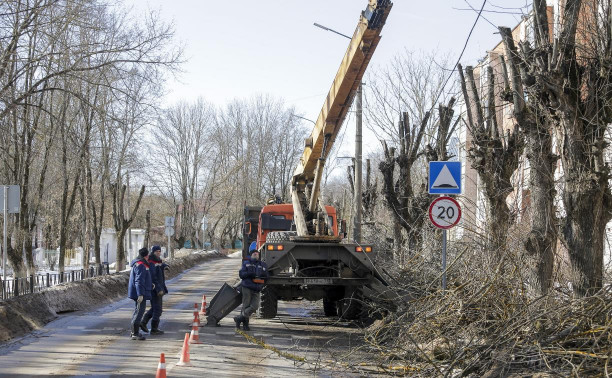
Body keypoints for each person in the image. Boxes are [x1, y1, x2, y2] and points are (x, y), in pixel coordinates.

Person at [234, 246, 268, 331]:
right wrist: (249, 274)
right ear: (251, 255)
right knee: (246, 306)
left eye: (257, 254)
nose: (256, 255)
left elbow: (267, 276)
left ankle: (239, 318)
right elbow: (241, 275)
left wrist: (264, 277)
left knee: (255, 306)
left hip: (257, 288)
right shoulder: (246, 263)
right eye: (254, 254)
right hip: (247, 287)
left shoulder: (262, 265)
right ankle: (245, 325)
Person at [140, 245, 168, 335]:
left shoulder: (157, 260)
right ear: (153, 252)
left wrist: (164, 266)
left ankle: (144, 322)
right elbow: (153, 276)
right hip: (155, 289)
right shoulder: (152, 261)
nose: (158, 253)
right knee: (158, 309)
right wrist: (159, 289)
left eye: (159, 251)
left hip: (158, 287)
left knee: (155, 308)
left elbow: (159, 266)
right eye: (157, 251)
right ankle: (154, 328)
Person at [128, 247, 152, 340]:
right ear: (146, 256)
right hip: (139, 293)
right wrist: (140, 294)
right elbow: (139, 281)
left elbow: (144, 279)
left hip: (139, 291)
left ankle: (134, 332)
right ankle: (135, 333)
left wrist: (150, 285)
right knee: (139, 311)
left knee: (138, 311)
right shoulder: (141, 265)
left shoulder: (139, 263)